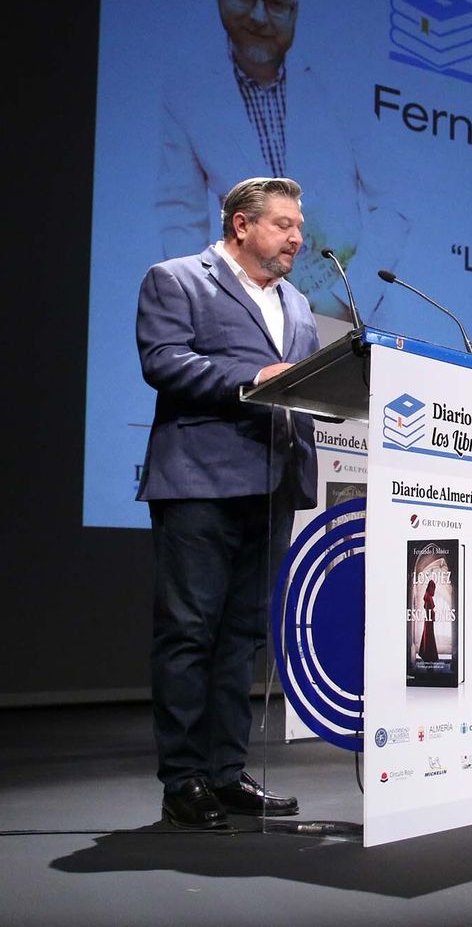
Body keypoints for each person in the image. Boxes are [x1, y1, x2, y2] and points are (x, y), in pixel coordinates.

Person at [137, 176, 321, 829]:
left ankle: (225, 771)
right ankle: (182, 779)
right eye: (284, 224)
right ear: (241, 225)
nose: (298, 237)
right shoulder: (177, 278)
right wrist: (250, 378)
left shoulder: (298, 304)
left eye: (299, 225)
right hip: (200, 481)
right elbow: (162, 361)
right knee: (190, 632)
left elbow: (309, 382)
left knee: (243, 638)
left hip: (274, 486)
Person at [156, 0, 409, 321]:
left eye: (274, 3)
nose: (258, 16)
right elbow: (182, 220)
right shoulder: (188, 97)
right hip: (252, 319)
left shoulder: (341, 85)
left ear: (295, 11)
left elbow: (392, 201)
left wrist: (344, 298)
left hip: (349, 313)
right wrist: (212, 311)